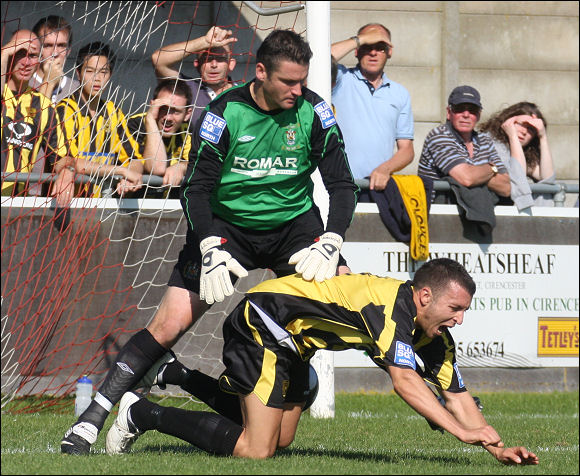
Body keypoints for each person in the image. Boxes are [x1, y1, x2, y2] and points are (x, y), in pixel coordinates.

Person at [61, 28, 358, 455]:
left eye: (302, 81)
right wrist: (209, 245)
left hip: (295, 229)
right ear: (260, 72)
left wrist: (332, 238)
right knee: (169, 323)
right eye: (288, 82)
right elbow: (196, 189)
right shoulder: (223, 114)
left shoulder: (315, 111)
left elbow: (342, 184)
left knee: (342, 300)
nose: (298, 90)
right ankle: (90, 421)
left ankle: (197, 380)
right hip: (227, 229)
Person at [104, 258, 539, 465]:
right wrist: (462, 433)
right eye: (455, 308)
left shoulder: (435, 337)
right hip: (265, 323)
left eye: (465, 312)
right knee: (258, 450)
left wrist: (498, 449)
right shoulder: (392, 309)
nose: (460, 320)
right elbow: (406, 383)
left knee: (282, 440)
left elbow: (458, 396)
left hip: (297, 344)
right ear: (425, 296)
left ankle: (177, 374)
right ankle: (143, 413)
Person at [331, 23, 414, 201]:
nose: (373, 52)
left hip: (377, 190)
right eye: (367, 46)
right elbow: (316, 61)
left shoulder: (400, 93)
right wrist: (359, 39)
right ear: (357, 50)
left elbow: (406, 150)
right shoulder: (341, 78)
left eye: (380, 47)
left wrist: (385, 169)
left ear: (389, 51)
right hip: (338, 187)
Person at [54, 41, 144, 202]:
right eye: (90, 71)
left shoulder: (113, 111)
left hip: (102, 205)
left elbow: (135, 158)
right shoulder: (66, 109)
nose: (97, 78)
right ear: (78, 73)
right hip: (67, 203)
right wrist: (121, 171)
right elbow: (67, 160)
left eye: (104, 72)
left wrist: (130, 175)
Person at [1, 29, 69, 200]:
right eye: (19, 53)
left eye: (32, 56)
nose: (25, 62)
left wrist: (68, 171)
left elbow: (61, 156)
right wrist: (4, 53)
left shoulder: (42, 105)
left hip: (15, 206)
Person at [418, 85, 511, 204]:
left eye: (472, 110)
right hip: (438, 213)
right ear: (449, 112)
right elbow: (466, 178)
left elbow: (506, 188)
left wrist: (474, 176)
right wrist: (491, 168)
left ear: (478, 115)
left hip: (477, 211)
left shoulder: (485, 141)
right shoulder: (439, 136)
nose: (466, 115)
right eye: (460, 108)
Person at [151, 26, 237, 129]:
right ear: (197, 64)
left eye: (220, 59)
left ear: (231, 64)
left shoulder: (246, 93)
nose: (214, 64)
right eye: (207, 59)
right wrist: (204, 42)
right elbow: (158, 60)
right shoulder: (186, 89)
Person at [479, 102, 556, 209]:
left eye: (531, 129)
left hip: (505, 213)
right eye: (521, 125)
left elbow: (547, 180)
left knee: (545, 192)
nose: (524, 131)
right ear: (507, 122)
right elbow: (517, 177)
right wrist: (513, 136)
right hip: (486, 208)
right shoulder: (488, 141)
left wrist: (543, 137)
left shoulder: (522, 151)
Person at [127, 78, 193, 199]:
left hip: (168, 210)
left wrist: (181, 167)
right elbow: (156, 168)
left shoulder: (188, 130)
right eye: (163, 109)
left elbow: (198, 163)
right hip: (129, 206)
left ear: (187, 114)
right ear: (152, 105)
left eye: (176, 111)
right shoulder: (135, 124)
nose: (168, 117)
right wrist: (150, 119)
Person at [29, 15, 80, 104]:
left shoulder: (77, 90)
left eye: (61, 46)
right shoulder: (24, 85)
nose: (55, 53)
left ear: (68, 50)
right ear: (36, 49)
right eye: (48, 45)